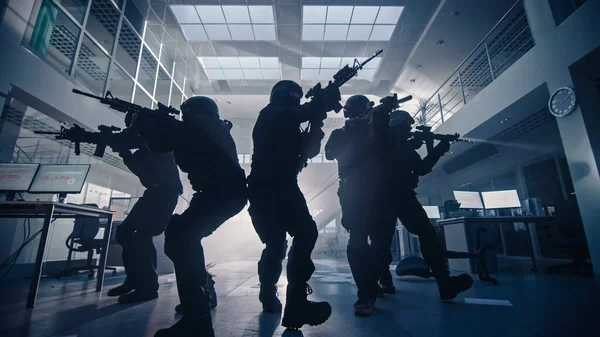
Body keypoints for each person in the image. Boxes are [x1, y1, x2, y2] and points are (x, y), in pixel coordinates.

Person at [135, 96, 247, 337]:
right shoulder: (211, 127)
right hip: (222, 193)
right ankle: (201, 298)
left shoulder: (196, 126)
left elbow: (158, 144)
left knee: (181, 238)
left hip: (220, 193)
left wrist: (145, 125)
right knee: (181, 238)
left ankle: (197, 320)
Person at [247, 80, 340, 329]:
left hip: (269, 187)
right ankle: (295, 304)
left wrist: (318, 118)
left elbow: (309, 151)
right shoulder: (272, 114)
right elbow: (298, 113)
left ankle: (271, 296)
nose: (294, 102)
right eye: (293, 98)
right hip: (275, 185)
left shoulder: (284, 119)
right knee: (302, 234)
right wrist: (319, 104)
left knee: (276, 245)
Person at [378, 110, 473, 301]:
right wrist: (439, 149)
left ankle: (381, 282)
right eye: (407, 126)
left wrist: (427, 144)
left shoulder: (385, 143)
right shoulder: (398, 145)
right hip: (401, 197)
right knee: (427, 234)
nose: (409, 129)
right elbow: (422, 168)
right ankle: (444, 284)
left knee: (381, 242)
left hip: (382, 199)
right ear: (398, 126)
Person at [324, 94, 396, 316]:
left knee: (382, 248)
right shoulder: (341, 134)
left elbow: (391, 145)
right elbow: (329, 153)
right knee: (357, 242)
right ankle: (365, 294)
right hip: (354, 194)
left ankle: (371, 285)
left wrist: (381, 118)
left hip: (381, 194)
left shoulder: (379, 129)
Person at [106, 123, 182, 304]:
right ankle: (137, 281)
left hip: (164, 193)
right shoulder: (148, 146)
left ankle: (146, 286)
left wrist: (125, 151)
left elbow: (142, 169)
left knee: (139, 235)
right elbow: (141, 168)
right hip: (157, 193)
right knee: (130, 234)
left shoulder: (157, 143)